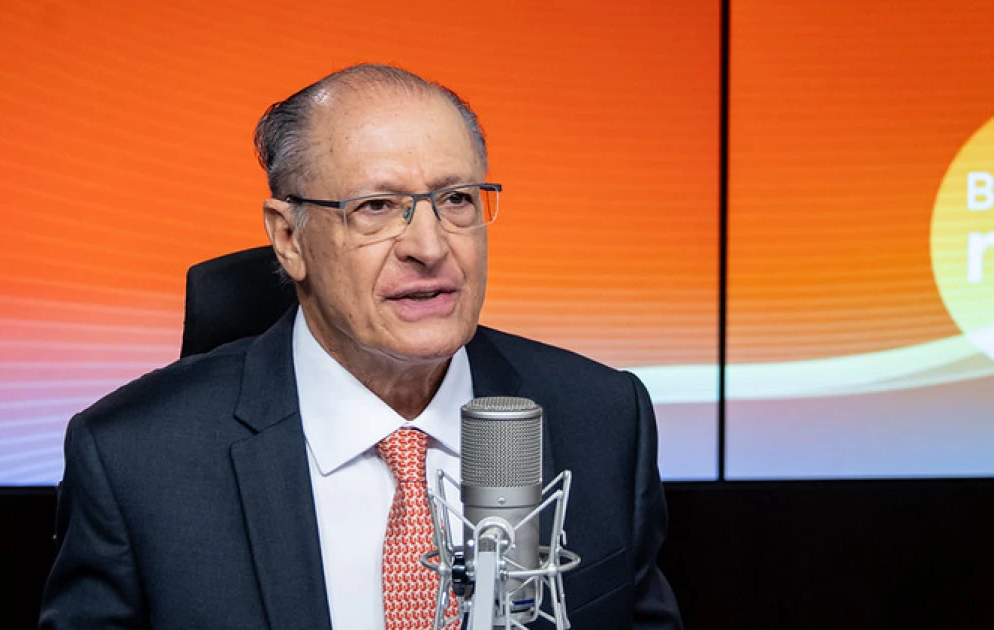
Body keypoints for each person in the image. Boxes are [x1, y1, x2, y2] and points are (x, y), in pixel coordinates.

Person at [39, 64, 682, 630]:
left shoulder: (601, 419)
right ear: (289, 238)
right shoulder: (135, 460)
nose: (430, 246)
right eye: (376, 206)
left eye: (456, 199)